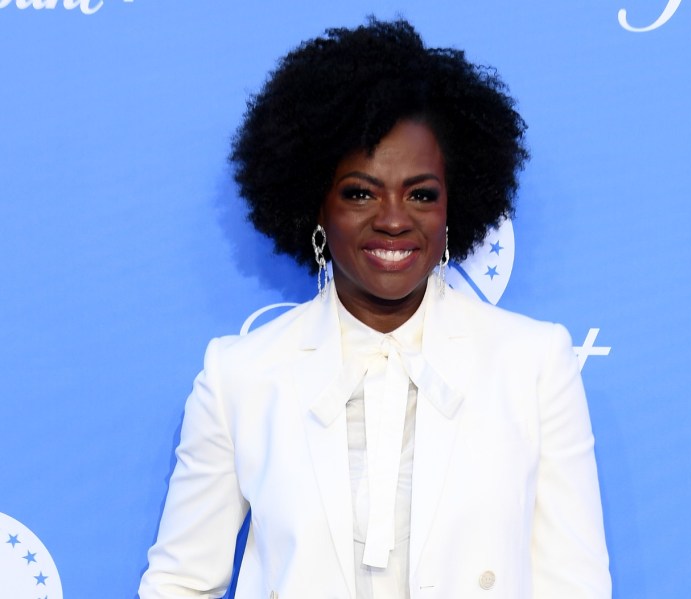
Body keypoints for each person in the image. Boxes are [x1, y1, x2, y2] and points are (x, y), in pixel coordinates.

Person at [139, 18, 611, 599]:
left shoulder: (533, 363)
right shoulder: (239, 375)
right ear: (315, 207)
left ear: (452, 210)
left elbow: (576, 583)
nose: (392, 218)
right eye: (360, 192)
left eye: (421, 194)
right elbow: (180, 582)